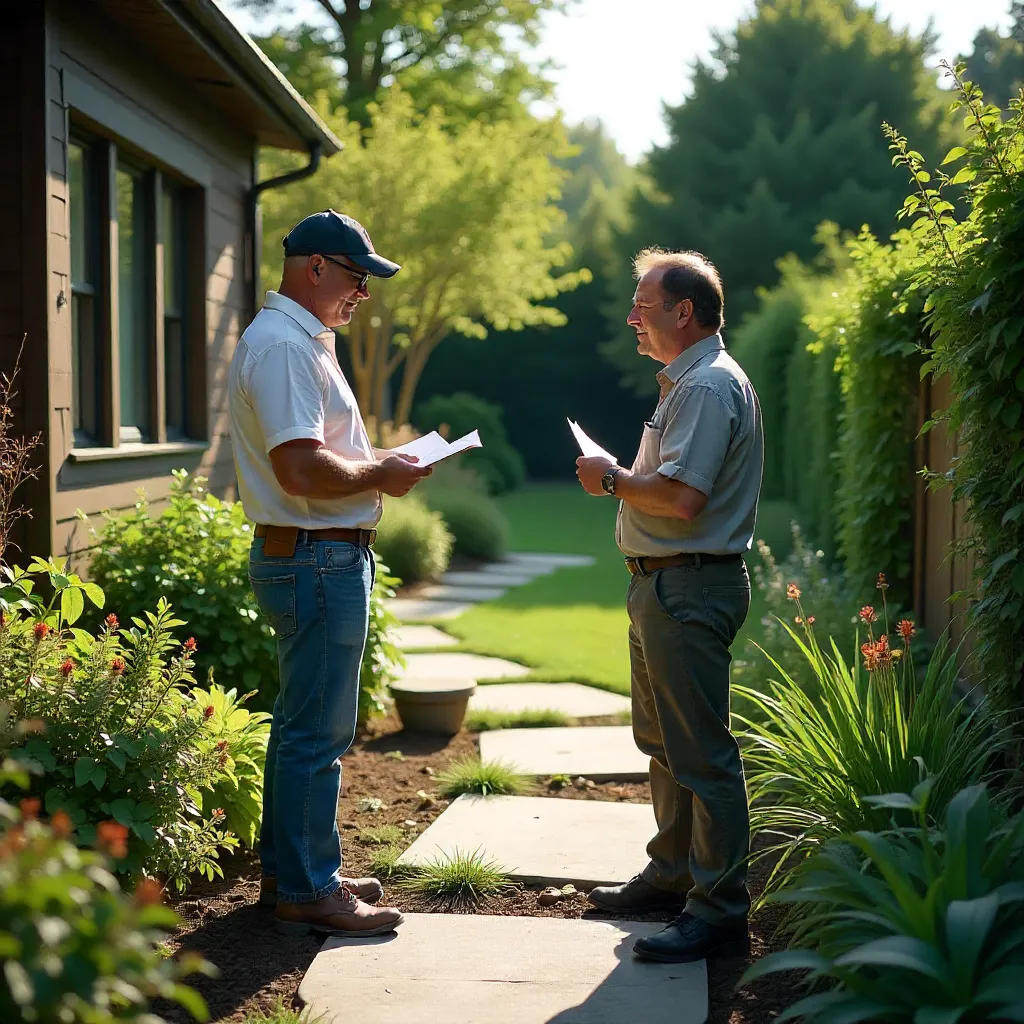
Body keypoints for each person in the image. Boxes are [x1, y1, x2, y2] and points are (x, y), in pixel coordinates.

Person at [228, 210, 432, 937]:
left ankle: (294, 873)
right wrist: (383, 471)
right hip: (317, 556)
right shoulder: (285, 347)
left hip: (312, 553)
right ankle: (311, 889)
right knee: (319, 731)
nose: (363, 294)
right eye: (356, 277)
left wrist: (379, 471)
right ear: (314, 266)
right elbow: (301, 467)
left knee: (300, 726)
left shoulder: (296, 340)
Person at [575, 248, 763, 963]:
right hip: (662, 583)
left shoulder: (709, 387)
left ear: (683, 312)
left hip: (689, 586)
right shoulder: (687, 382)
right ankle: (675, 871)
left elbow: (684, 499)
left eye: (642, 305)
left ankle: (718, 913)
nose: (632, 316)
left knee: (702, 755)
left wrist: (613, 479)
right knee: (662, 745)